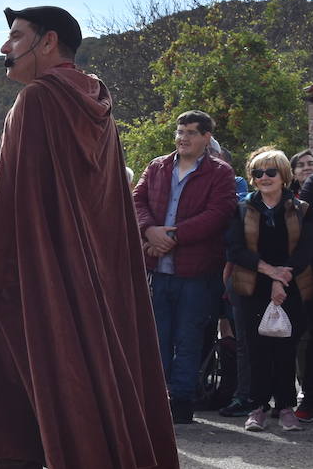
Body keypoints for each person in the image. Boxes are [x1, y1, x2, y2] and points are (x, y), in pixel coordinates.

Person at [0, 5, 178, 469]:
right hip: (87, 282)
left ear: (48, 42)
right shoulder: (97, 102)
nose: (5, 48)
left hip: (31, 282)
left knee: (10, 411)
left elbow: (19, 196)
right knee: (71, 401)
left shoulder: (36, 102)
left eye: (15, 37)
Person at [132, 111, 236, 424]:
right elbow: (137, 201)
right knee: (156, 339)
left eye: (191, 132)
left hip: (196, 273)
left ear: (207, 137)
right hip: (157, 271)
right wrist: (149, 230)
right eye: (180, 131)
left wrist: (171, 236)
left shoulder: (220, 172)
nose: (183, 138)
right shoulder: (157, 165)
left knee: (188, 339)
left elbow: (219, 214)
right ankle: (156, 399)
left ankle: (181, 401)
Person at [228, 149, 311, 433]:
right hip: (252, 289)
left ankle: (286, 407)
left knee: (286, 350)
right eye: (258, 173)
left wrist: (281, 278)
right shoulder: (241, 208)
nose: (264, 178)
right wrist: (270, 272)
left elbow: (305, 250)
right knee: (257, 351)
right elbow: (235, 249)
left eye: (270, 172)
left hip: (292, 288)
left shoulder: (302, 209)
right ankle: (258, 407)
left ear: (284, 175)